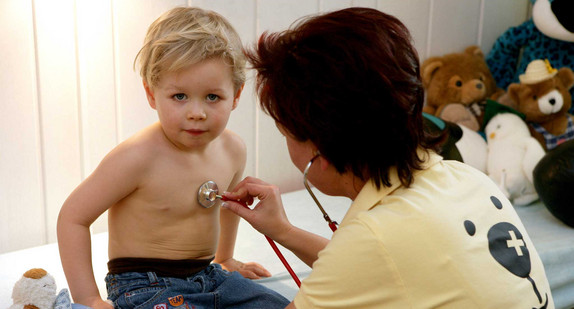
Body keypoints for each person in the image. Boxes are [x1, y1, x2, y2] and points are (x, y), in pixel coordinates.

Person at [222, 7, 555, 308]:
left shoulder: (374, 237)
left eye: (287, 135)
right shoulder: (467, 178)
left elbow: (367, 258)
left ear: (320, 151)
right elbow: (369, 266)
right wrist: (283, 230)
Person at [57, 7, 289, 309]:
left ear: (236, 94)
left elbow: (228, 204)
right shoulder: (137, 157)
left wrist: (226, 258)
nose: (197, 112)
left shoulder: (233, 149)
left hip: (209, 275)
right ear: (152, 93)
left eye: (212, 97)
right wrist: (88, 298)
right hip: (143, 285)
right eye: (179, 96)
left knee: (286, 306)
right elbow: (72, 218)